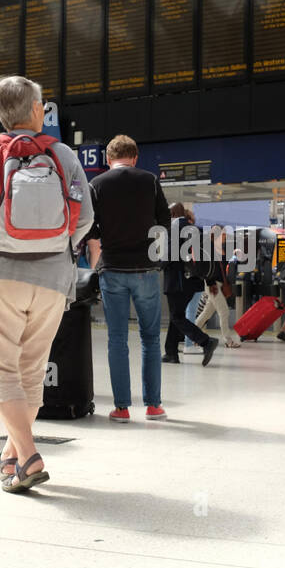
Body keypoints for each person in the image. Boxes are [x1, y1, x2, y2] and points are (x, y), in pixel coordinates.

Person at [0, 75, 93, 489]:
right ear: (36, 110)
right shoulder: (63, 154)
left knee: (1, 372)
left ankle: (28, 455)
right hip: (53, 279)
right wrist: (57, 248)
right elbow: (84, 218)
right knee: (32, 371)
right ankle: (9, 457)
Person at [86, 134, 172, 423]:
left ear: (108, 160)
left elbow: (87, 226)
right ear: (135, 158)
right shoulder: (149, 180)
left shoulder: (96, 184)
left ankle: (121, 407)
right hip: (146, 270)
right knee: (150, 338)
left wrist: (103, 234)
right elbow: (164, 221)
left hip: (112, 269)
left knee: (117, 339)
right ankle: (153, 406)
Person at [163, 203, 219, 366]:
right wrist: (210, 281)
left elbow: (169, 256)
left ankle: (205, 342)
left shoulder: (173, 228)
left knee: (177, 316)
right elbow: (206, 257)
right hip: (193, 282)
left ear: (173, 213)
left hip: (177, 281)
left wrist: (155, 266)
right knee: (177, 315)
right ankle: (171, 352)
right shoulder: (195, 229)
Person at [195, 227, 240, 348]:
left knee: (206, 313)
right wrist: (210, 284)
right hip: (212, 285)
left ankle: (192, 335)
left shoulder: (221, 249)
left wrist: (234, 254)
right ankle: (228, 340)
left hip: (219, 284)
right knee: (224, 311)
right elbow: (205, 269)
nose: (225, 236)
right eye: (223, 234)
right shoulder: (208, 249)